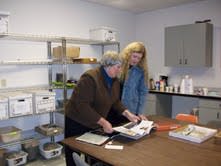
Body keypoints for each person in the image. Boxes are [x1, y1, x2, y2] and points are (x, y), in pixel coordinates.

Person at [64, 50, 140, 166]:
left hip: (94, 121)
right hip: (76, 121)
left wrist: (127, 113)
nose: (120, 70)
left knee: (94, 152)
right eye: (118, 67)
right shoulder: (90, 78)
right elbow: (82, 105)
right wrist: (103, 122)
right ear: (107, 65)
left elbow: (115, 101)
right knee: (74, 154)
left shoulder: (114, 80)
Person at [120, 42, 149, 120]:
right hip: (116, 108)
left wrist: (140, 112)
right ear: (128, 54)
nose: (136, 60)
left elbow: (143, 92)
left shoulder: (140, 71)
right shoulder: (117, 67)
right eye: (134, 56)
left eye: (139, 58)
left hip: (131, 109)